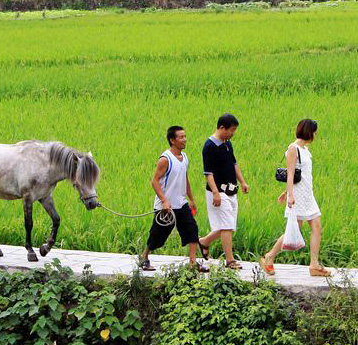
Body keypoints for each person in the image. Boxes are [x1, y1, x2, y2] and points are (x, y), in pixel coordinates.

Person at [261, 119, 330, 277]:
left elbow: (302, 175)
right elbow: (290, 173)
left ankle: (314, 265)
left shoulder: (305, 149)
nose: (315, 135)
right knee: (294, 229)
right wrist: (290, 195)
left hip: (307, 193)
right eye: (314, 131)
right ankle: (269, 257)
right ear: (308, 131)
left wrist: (286, 192)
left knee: (316, 227)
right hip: (298, 195)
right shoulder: (293, 148)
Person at [140, 126, 208, 273]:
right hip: (165, 206)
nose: (184, 140)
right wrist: (164, 200)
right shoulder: (165, 159)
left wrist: (191, 199)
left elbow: (185, 178)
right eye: (181, 137)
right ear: (172, 140)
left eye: (185, 136)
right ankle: (145, 256)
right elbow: (154, 181)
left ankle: (192, 263)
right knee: (158, 234)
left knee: (192, 230)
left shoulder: (185, 158)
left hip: (181, 203)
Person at [197, 113, 250, 270]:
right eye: (232, 130)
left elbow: (233, 164)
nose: (233, 133)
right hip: (219, 192)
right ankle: (230, 260)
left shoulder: (228, 144)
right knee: (227, 226)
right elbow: (208, 173)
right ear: (222, 127)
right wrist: (215, 193)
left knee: (228, 225)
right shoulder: (209, 146)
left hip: (231, 190)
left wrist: (243, 181)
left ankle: (204, 242)